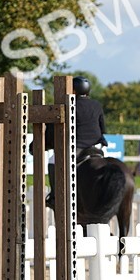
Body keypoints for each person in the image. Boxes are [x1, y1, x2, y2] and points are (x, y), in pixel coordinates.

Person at [45, 76, 108, 207]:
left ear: (73, 91)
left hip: (78, 146)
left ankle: (54, 195)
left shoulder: (70, 105)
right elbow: (103, 128)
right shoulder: (96, 104)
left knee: (52, 160)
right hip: (97, 145)